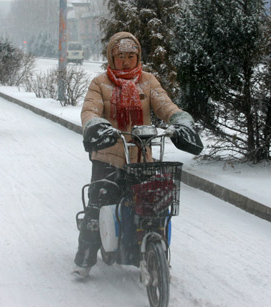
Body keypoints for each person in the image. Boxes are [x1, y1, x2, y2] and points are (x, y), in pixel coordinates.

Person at [73, 32, 202, 278]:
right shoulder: (100, 83)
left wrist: (180, 120)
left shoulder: (148, 81)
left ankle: (156, 254)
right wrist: (95, 125)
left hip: (142, 158)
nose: (126, 61)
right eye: (120, 56)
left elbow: (165, 105)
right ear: (111, 56)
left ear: (138, 56)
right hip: (108, 154)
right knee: (99, 203)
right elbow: (90, 109)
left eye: (131, 56)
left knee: (153, 206)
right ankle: (85, 259)